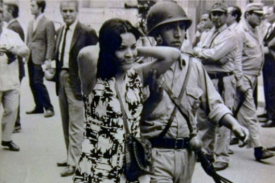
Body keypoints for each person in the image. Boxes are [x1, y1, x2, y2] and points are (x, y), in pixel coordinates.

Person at [142, 1, 248, 182]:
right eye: (170, 28)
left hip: (187, 155)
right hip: (155, 155)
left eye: (182, 27)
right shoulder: (144, 68)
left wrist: (234, 125)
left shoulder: (194, 67)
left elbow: (214, 103)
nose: (178, 33)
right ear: (157, 34)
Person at [73, 18, 180, 183]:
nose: (129, 55)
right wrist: (111, 41)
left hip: (132, 163)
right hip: (100, 164)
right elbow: (85, 54)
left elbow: (172, 55)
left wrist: (134, 48)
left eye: (133, 47)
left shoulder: (136, 75)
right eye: (121, 49)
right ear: (108, 49)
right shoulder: (94, 80)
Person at [53, 0, 98, 177]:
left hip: (78, 81)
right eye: (64, 11)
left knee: (76, 124)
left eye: (71, 10)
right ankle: (69, 156)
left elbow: (96, 56)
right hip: (62, 78)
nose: (67, 14)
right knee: (66, 121)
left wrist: (90, 82)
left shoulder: (87, 32)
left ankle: (76, 162)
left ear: (77, 11)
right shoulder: (60, 31)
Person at [193, 2, 240, 171]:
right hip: (207, 77)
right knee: (204, 116)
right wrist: (208, 55)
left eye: (220, 14)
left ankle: (222, 156)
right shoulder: (208, 33)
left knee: (222, 117)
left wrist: (208, 55)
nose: (216, 17)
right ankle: (207, 152)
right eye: (214, 14)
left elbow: (215, 55)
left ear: (226, 16)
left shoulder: (231, 35)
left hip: (223, 80)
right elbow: (198, 50)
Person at [235, 3, 274, 161]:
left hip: (252, 77)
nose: (260, 18)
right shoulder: (239, 32)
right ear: (248, 14)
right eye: (257, 15)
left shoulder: (255, 29)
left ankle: (224, 141)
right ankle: (258, 148)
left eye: (261, 15)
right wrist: (240, 82)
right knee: (250, 113)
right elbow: (236, 59)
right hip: (243, 77)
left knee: (233, 110)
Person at [0, 7, 29, 151]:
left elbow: (26, 51)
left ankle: (6, 139)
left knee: (11, 109)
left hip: (11, 79)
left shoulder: (11, 34)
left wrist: (15, 50)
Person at [26, 0, 55, 118]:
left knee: (38, 82)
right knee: (32, 83)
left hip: (41, 57)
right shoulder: (31, 22)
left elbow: (51, 42)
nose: (31, 8)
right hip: (30, 56)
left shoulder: (48, 22)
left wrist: (48, 59)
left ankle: (49, 107)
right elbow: (29, 40)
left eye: (33, 6)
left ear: (40, 7)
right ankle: (38, 107)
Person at [3, 2, 25, 133]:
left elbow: (15, 50)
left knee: (12, 96)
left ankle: (15, 123)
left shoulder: (13, 27)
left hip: (14, 68)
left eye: (4, 12)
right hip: (15, 67)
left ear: (10, 12)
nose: (2, 15)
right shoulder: (14, 25)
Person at [261, 5, 275, 128]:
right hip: (268, 60)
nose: (266, 17)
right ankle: (268, 112)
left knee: (271, 88)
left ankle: (272, 116)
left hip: (272, 60)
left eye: (269, 14)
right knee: (267, 87)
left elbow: (270, 44)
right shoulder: (270, 28)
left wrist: (267, 45)